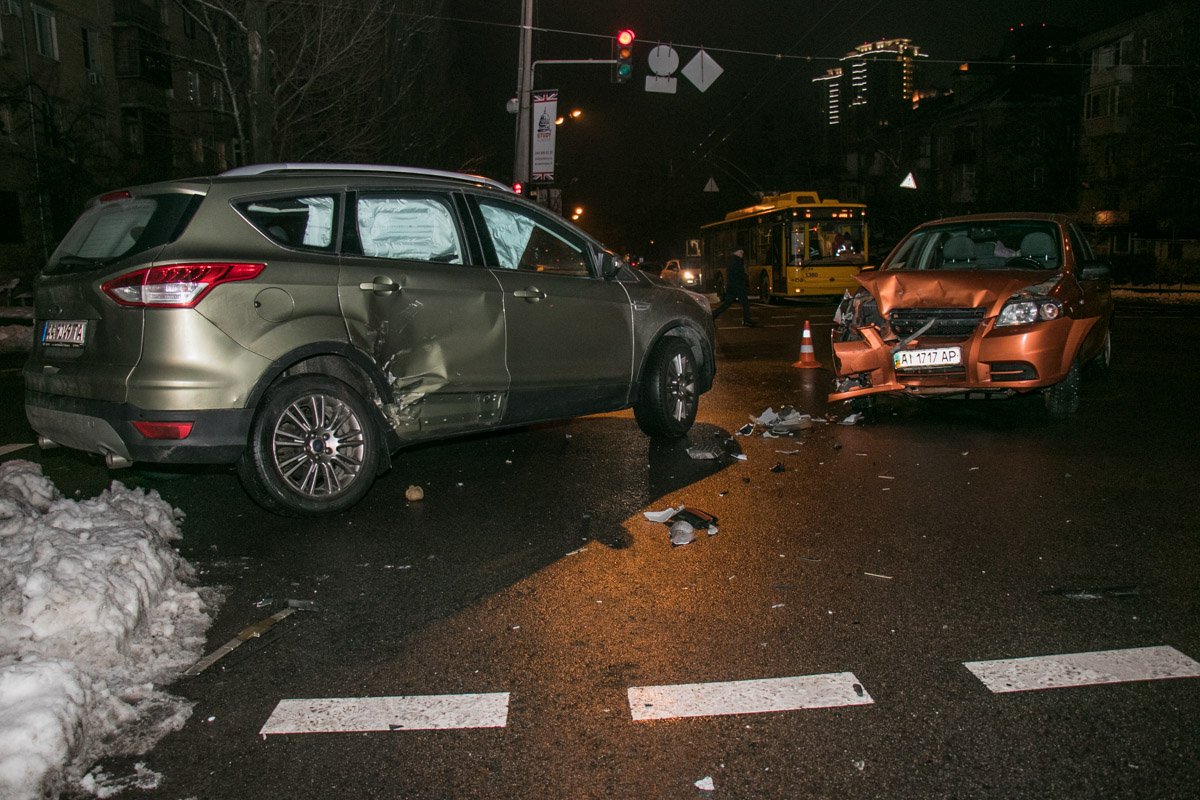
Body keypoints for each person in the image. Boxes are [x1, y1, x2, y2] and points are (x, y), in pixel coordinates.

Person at [711, 248, 757, 326]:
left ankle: (713, 315)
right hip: (738, 287)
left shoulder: (733, 261)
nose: (742, 253)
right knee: (745, 303)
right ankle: (747, 320)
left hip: (733, 286)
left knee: (726, 304)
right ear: (737, 252)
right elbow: (739, 274)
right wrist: (744, 279)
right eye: (741, 252)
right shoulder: (737, 261)